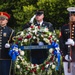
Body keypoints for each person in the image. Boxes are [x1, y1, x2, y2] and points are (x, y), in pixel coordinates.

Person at [59, 7, 75, 75]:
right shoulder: (64, 27)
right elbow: (61, 41)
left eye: (73, 15)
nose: (72, 16)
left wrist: (74, 43)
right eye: (70, 15)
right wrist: (64, 55)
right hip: (67, 57)